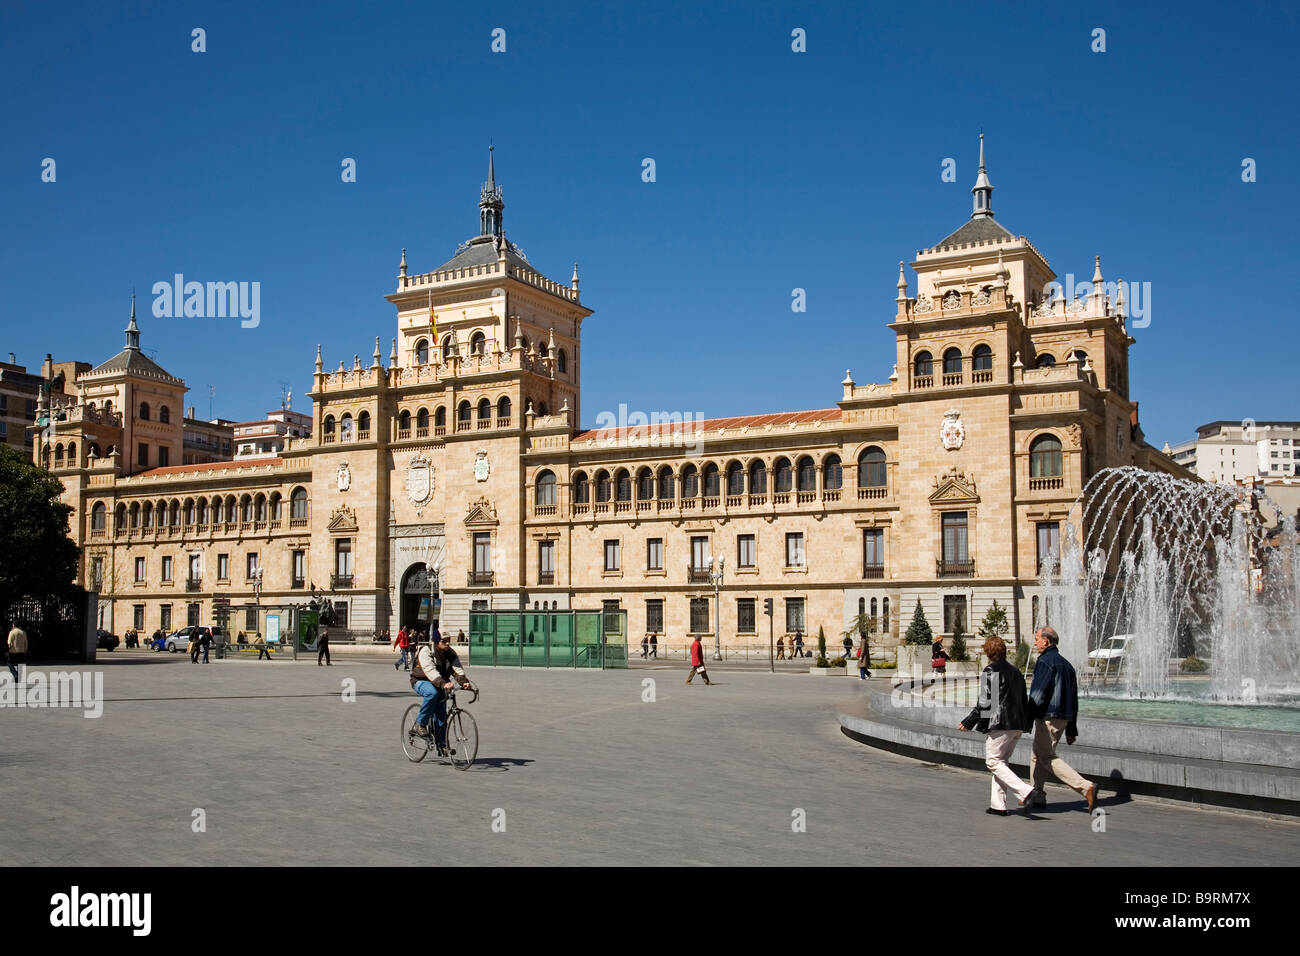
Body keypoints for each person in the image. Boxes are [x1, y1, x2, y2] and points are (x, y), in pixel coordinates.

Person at [958, 635, 1035, 816]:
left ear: (988, 652)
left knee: (993, 762)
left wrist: (969, 721)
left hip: (1000, 723)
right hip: (1016, 724)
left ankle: (1026, 791)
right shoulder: (1016, 671)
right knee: (1002, 763)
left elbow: (986, 702)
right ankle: (998, 805)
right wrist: (1026, 724)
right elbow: (1024, 699)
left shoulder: (991, 670)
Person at [1027, 626, 1097, 811]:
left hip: (1047, 717)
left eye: (1037, 639)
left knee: (1046, 756)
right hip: (1062, 718)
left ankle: (1085, 787)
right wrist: (1071, 728)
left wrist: (1027, 718)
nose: (1035, 642)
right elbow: (1073, 700)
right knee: (1038, 754)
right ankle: (1037, 795)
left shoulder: (1045, 662)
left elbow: (1038, 695)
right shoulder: (1067, 665)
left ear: (1046, 641)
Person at [410, 632, 471, 753]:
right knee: (432, 693)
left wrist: (464, 682)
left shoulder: (451, 653)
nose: (447, 643)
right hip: (421, 680)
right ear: (437, 641)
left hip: (441, 683)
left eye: (449, 640)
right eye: (444, 641)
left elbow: (457, 669)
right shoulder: (426, 651)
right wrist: (443, 684)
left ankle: (442, 746)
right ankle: (420, 724)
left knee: (441, 715)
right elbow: (430, 670)